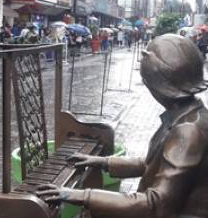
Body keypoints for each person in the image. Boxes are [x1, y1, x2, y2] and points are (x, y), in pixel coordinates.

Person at [36, 34, 208, 218]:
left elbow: (156, 204)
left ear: (159, 85)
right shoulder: (188, 114)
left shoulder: (188, 130)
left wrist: (82, 195)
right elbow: (151, 164)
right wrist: (104, 162)